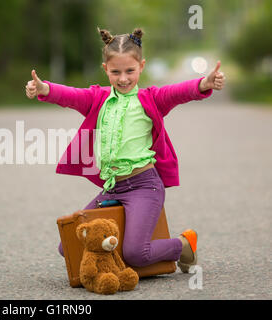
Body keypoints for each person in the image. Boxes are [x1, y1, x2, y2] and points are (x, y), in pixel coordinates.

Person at [25, 27, 225, 273]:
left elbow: (179, 92)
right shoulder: (97, 99)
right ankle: (116, 267)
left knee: (136, 253)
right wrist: (44, 88)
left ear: (141, 66)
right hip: (113, 187)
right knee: (69, 245)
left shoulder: (150, 98)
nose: (123, 78)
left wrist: (204, 82)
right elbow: (71, 95)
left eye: (130, 71)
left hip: (144, 186)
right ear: (105, 69)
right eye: (115, 72)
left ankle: (182, 245)